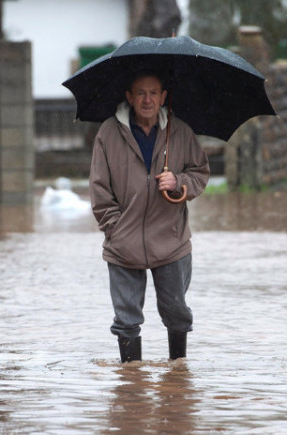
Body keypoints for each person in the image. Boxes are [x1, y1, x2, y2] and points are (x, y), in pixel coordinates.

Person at [89, 71, 210, 363]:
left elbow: (200, 173)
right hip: (123, 243)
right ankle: (132, 386)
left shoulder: (179, 131)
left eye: (154, 93)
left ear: (163, 97)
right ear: (129, 97)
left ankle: (177, 374)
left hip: (171, 241)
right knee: (126, 319)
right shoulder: (108, 133)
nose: (147, 100)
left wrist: (178, 181)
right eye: (141, 93)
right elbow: (99, 188)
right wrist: (115, 229)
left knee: (177, 313)